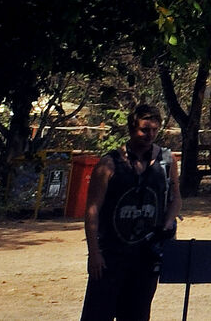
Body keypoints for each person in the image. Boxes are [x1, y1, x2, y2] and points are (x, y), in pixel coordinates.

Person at [81, 104, 181, 321]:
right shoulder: (109, 164)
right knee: (97, 314)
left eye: (155, 130)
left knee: (137, 314)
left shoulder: (166, 161)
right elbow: (92, 211)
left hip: (146, 255)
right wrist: (94, 253)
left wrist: (166, 225)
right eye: (145, 130)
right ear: (132, 128)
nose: (150, 135)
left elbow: (176, 198)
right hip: (111, 255)